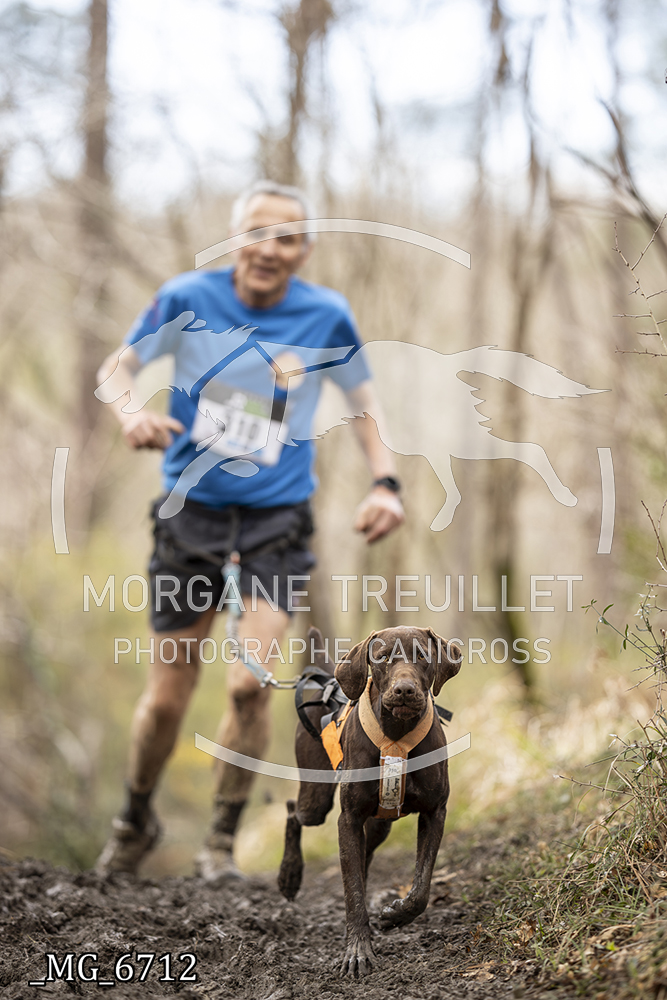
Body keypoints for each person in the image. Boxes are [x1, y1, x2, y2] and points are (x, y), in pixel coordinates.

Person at [94, 180, 404, 881]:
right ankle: (134, 819)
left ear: (304, 250)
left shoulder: (325, 314)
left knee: (248, 685)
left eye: (286, 238)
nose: (268, 249)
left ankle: (219, 844)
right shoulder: (185, 297)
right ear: (235, 238)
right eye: (256, 233)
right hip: (190, 516)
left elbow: (363, 402)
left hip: (276, 521)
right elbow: (117, 367)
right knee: (166, 699)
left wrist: (385, 482)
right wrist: (131, 415)